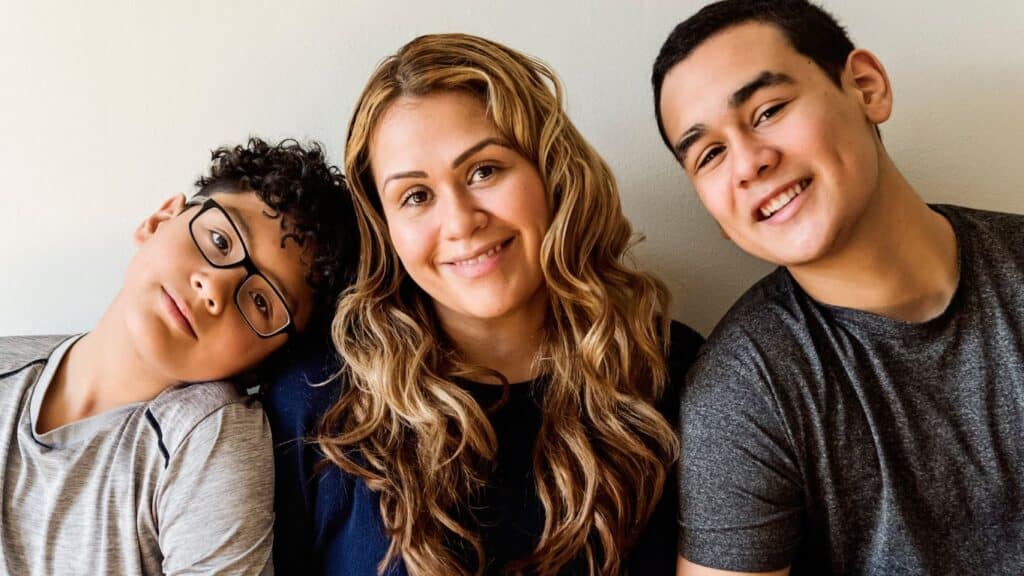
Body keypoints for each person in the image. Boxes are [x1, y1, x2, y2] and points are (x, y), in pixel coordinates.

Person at [266, 33, 704, 575]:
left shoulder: (675, 371)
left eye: (484, 171)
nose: (460, 221)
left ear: (551, 172)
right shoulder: (312, 404)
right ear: (385, 228)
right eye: (416, 196)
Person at [651, 1, 1024, 574]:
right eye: (710, 154)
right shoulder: (747, 388)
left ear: (867, 88)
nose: (748, 164)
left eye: (768, 110)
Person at [0, 137, 356, 575]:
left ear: (260, 365)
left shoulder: (208, 435)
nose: (215, 288)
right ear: (159, 220)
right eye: (221, 241)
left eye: (263, 302)